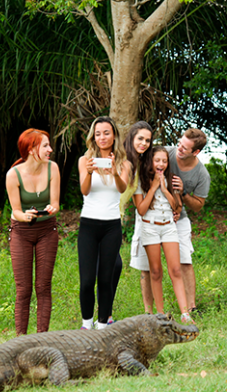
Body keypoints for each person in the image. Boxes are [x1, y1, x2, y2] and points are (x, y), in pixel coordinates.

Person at [131, 128, 211, 315]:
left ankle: (190, 308)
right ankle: (149, 313)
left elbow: (198, 206)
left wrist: (181, 196)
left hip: (176, 218)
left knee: (183, 260)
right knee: (147, 267)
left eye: (185, 148)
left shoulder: (201, 174)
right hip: (149, 214)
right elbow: (139, 158)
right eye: (180, 143)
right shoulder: (164, 153)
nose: (179, 149)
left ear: (196, 152)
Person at [4, 129, 60, 335]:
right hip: (21, 232)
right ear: (31, 148)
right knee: (24, 289)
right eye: (45, 145)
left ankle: (42, 338)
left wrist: (53, 208)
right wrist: (25, 216)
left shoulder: (52, 169)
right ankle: (21, 340)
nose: (50, 149)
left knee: (43, 287)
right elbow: (16, 210)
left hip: (47, 230)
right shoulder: (13, 174)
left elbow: (55, 203)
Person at [77, 116, 130, 330]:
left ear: (114, 135)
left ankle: (102, 325)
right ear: (93, 137)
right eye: (98, 133)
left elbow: (122, 188)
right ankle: (86, 324)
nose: (102, 137)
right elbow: (84, 190)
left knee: (106, 279)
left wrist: (115, 173)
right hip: (89, 224)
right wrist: (89, 172)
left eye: (106, 133)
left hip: (111, 225)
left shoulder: (123, 162)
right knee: (88, 280)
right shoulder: (85, 160)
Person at [133, 147, 194, 323]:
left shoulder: (172, 179)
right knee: (156, 271)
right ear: (150, 162)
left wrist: (165, 189)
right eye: (157, 160)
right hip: (150, 227)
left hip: (168, 227)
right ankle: (160, 315)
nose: (161, 164)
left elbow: (177, 207)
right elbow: (141, 210)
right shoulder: (141, 181)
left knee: (175, 269)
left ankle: (185, 314)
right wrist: (152, 188)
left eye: (164, 161)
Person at [123, 122, 156, 313]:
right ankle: (102, 316)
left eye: (148, 140)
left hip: (116, 215)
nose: (144, 143)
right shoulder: (121, 158)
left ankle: (148, 313)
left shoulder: (142, 164)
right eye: (140, 139)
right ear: (131, 138)